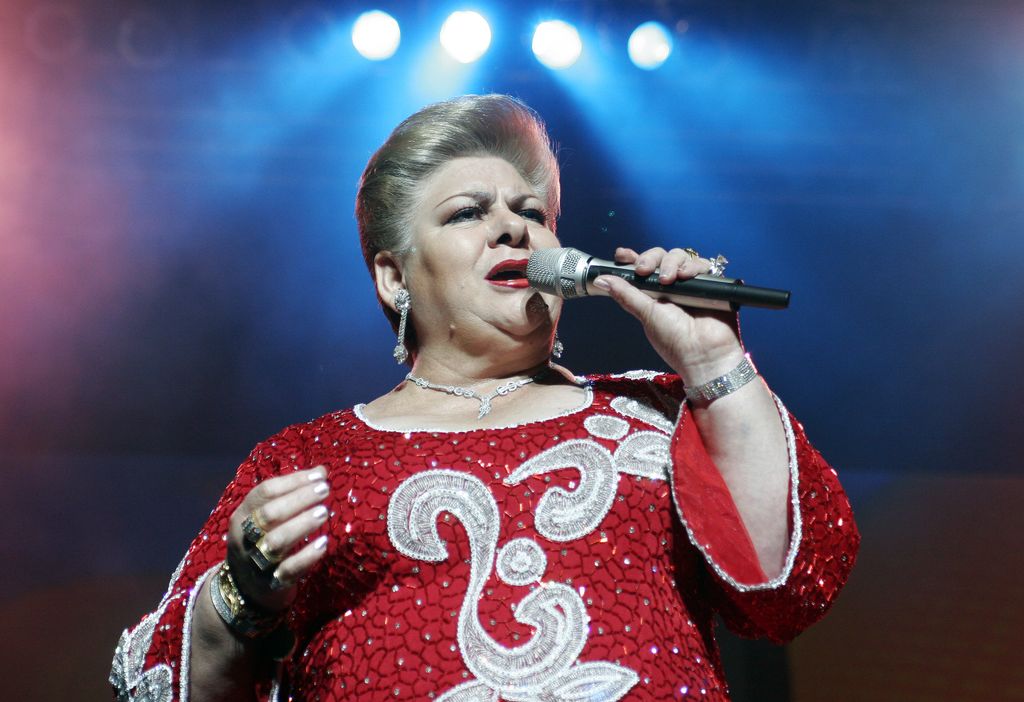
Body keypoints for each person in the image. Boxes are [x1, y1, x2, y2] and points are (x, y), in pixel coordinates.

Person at [111, 94, 859, 702]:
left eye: (532, 212)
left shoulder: (657, 412)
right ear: (394, 278)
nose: (512, 225)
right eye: (468, 212)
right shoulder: (308, 458)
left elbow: (788, 587)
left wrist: (712, 357)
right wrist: (241, 598)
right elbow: (161, 686)